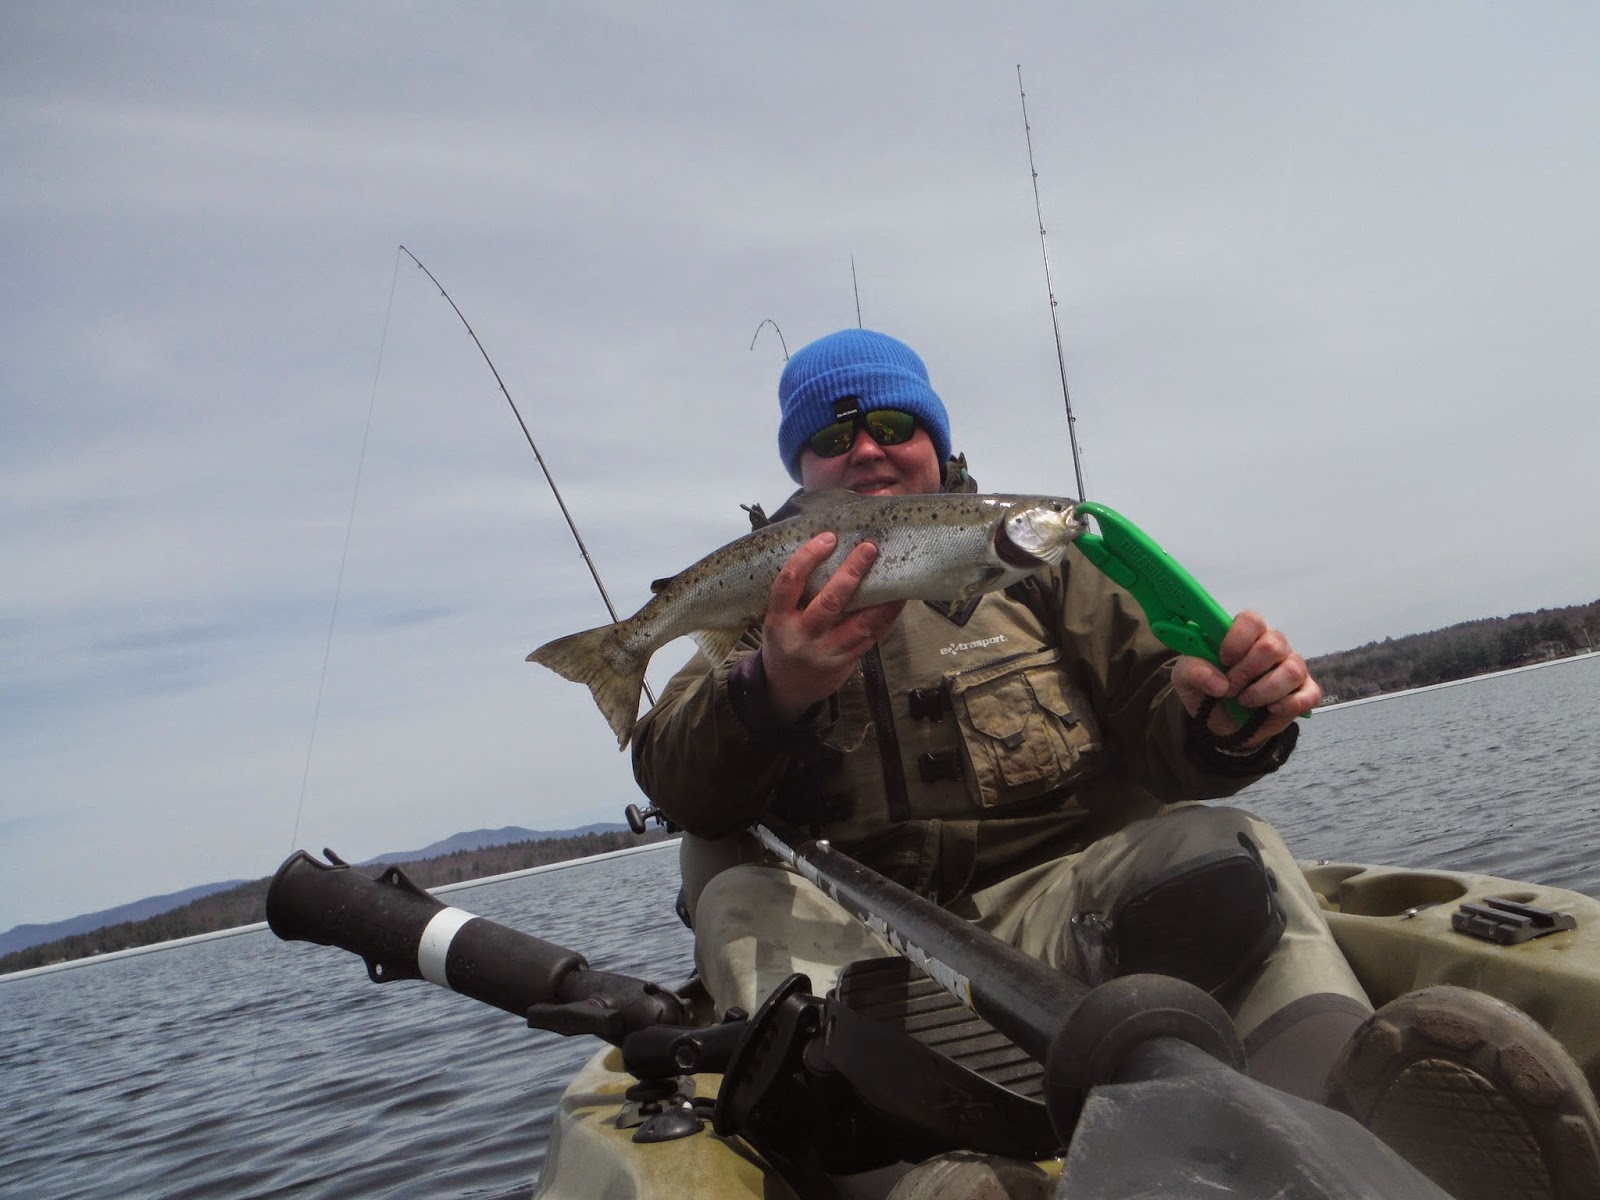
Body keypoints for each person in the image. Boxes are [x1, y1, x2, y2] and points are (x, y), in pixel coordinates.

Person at [631, 329, 1600, 1197]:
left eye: (892, 424)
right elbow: (676, 778)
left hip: (1072, 908)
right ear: (801, 468)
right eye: (834, 436)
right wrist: (771, 689)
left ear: (936, 441)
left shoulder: (1045, 565)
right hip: (871, 956)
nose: (868, 449)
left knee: (1229, 848)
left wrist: (1224, 721)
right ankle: (938, 1186)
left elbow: (1162, 724)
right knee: (736, 899)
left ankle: (1352, 1113)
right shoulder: (758, 601)